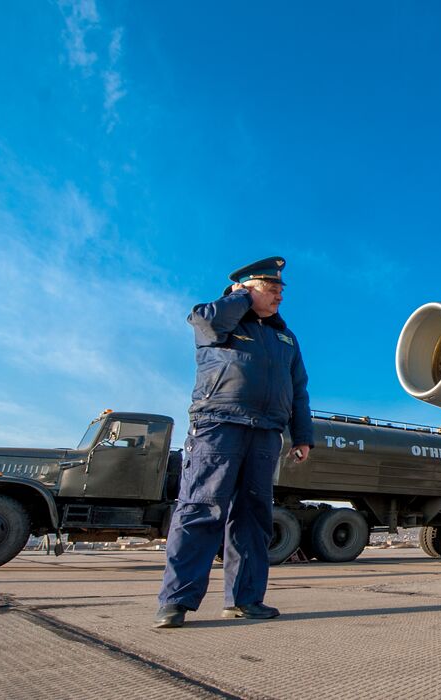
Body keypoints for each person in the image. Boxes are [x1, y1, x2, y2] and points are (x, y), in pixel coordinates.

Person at [154, 256, 314, 629]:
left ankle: (245, 600)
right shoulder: (220, 320)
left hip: (265, 432)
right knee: (202, 509)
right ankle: (176, 601)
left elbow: (299, 390)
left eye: (281, 291)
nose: (279, 296)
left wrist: (303, 435)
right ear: (245, 287)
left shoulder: (285, 337)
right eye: (271, 289)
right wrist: (240, 299)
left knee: (253, 518)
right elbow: (205, 320)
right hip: (218, 425)